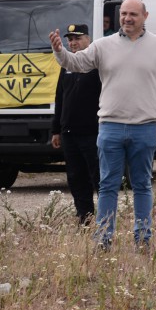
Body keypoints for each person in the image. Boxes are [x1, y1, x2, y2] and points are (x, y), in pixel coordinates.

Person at [49, 0, 156, 251]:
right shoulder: (103, 46)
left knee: (142, 185)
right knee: (108, 184)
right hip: (110, 127)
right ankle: (103, 239)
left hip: (145, 128)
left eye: (133, 14)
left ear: (145, 15)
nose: (127, 19)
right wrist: (60, 51)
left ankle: (143, 238)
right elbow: (75, 63)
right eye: (123, 14)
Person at [51, 24, 102, 225]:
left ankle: (105, 218)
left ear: (88, 39)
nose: (73, 43)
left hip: (93, 132)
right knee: (75, 177)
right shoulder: (66, 65)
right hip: (69, 133)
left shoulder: (97, 63)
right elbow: (60, 98)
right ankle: (84, 217)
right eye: (70, 39)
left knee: (98, 176)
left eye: (77, 38)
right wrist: (56, 129)